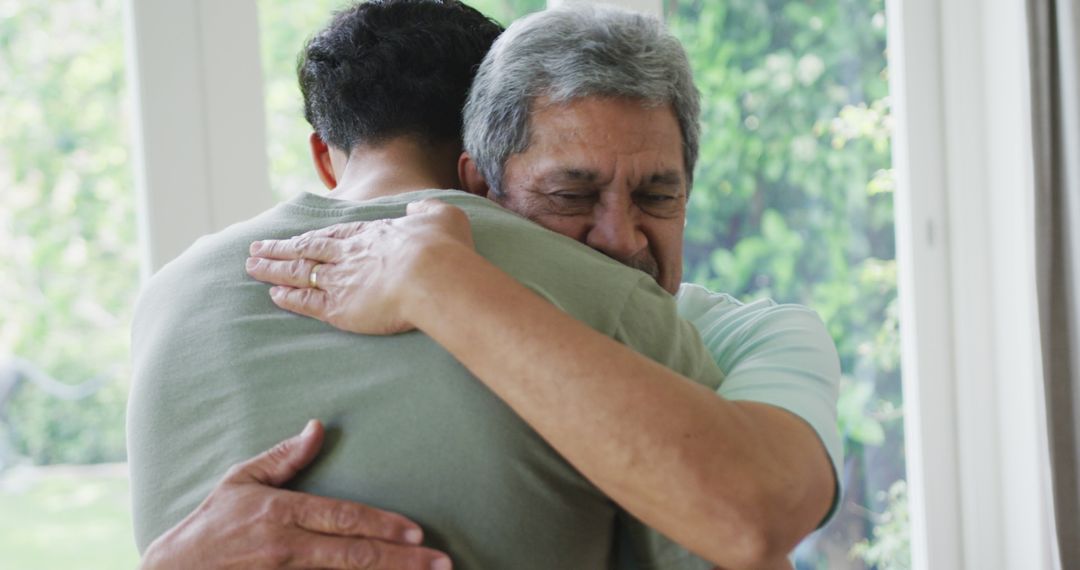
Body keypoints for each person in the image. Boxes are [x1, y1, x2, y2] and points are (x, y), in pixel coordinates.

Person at [132, 2, 840, 569]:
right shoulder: (616, 307)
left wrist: (439, 282)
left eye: (659, 195)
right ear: (479, 182)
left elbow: (752, 526)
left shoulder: (168, 298)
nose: (620, 239)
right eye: (570, 194)